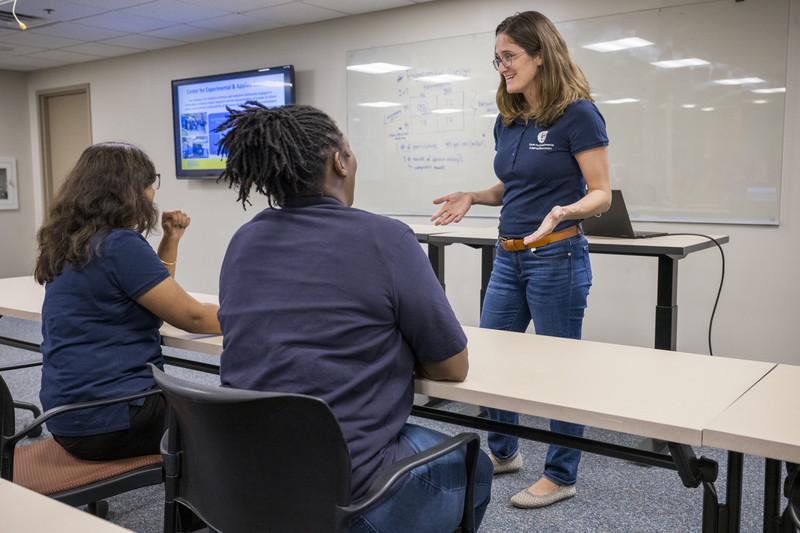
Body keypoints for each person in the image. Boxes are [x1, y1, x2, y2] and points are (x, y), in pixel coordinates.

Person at [215, 102, 493, 533]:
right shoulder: (387, 238)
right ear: (339, 161)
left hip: (247, 484)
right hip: (352, 500)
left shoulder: (244, 239)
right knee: (477, 465)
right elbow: (453, 367)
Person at [431, 11, 611, 509]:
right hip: (508, 257)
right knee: (489, 358)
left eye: (509, 57)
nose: (502, 67)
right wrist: (474, 195)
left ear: (540, 55)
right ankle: (504, 452)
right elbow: (513, 185)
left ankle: (561, 474)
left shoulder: (578, 114)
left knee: (560, 371)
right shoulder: (508, 118)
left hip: (557, 256)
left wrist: (565, 210)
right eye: (498, 58)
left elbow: (601, 194)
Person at [35, 142, 221, 461]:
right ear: (130, 189)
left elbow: (157, 297)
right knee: (232, 421)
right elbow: (192, 318)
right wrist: (256, 315)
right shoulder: (119, 244)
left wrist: (170, 240)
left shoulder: (71, 241)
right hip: (113, 418)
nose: (153, 192)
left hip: (65, 415)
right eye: (151, 182)